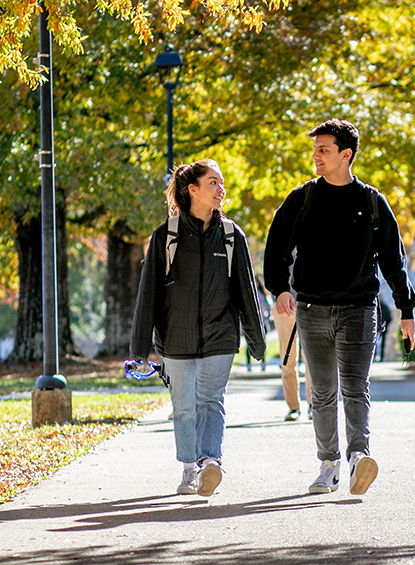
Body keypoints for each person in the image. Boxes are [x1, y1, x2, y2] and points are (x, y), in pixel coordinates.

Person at [264, 119, 415, 496]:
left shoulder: (371, 201)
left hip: (359, 310)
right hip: (312, 309)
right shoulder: (302, 199)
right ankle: (328, 463)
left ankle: (358, 458)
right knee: (322, 393)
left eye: (323, 149)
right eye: (315, 149)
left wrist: (406, 309)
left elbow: (393, 261)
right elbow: (276, 247)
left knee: (354, 387)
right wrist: (280, 288)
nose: (316, 156)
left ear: (345, 155)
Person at [131, 158, 265, 497]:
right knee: (184, 406)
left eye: (221, 184)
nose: (221, 190)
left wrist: (256, 339)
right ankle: (189, 467)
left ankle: (211, 462)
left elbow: (246, 291)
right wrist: (138, 348)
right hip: (175, 338)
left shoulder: (232, 236)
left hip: (220, 336)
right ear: (193, 190)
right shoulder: (167, 236)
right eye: (213, 183)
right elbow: (148, 294)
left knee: (211, 401)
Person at [272, 290, 310, 421]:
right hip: (284, 307)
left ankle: (313, 404)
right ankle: (293, 407)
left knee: (312, 361)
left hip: (309, 304)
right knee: (287, 360)